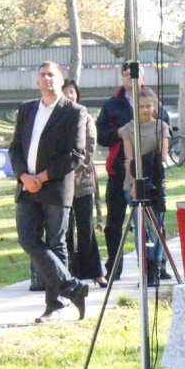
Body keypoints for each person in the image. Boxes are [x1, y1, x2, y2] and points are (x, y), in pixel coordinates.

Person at [9, 61, 90, 322]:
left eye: (52, 75)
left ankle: (56, 305)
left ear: (61, 80)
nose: (47, 79)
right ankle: (72, 287)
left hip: (55, 187)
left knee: (57, 243)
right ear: (37, 81)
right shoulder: (26, 109)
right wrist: (24, 177)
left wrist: (41, 177)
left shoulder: (74, 112)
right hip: (27, 187)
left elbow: (75, 154)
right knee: (27, 239)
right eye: (43, 75)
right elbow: (15, 148)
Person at [118, 88, 170, 286]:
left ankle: (156, 268)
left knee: (156, 228)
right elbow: (129, 160)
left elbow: (162, 156)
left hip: (155, 183)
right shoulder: (128, 129)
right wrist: (134, 184)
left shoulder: (161, 127)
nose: (145, 110)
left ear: (154, 106)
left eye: (148, 106)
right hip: (134, 182)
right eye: (140, 106)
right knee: (141, 230)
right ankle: (144, 271)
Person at [61, 80, 106, 287]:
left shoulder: (85, 117)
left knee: (86, 228)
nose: (69, 95)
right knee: (65, 230)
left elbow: (89, 148)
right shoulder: (56, 118)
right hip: (60, 182)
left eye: (72, 92)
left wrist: (75, 170)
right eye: (65, 92)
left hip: (82, 182)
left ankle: (95, 272)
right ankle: (68, 275)